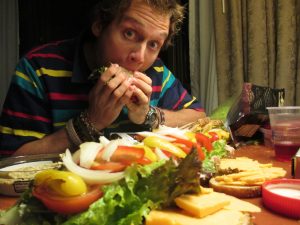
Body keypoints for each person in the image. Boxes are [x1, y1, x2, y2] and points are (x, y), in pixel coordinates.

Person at [0, 0, 206, 157]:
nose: (139, 57)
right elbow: (10, 158)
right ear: (99, 25)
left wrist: (149, 116)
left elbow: (198, 116)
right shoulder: (39, 69)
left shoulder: (156, 71)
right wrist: (88, 123)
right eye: (129, 33)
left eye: (153, 44)